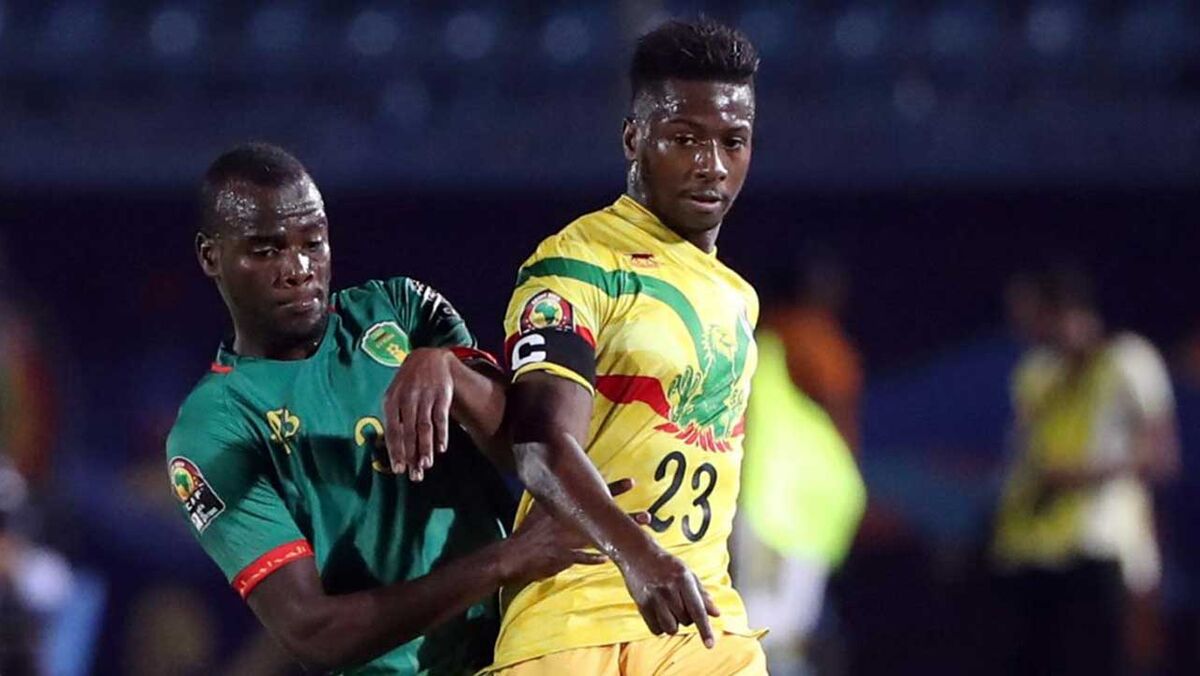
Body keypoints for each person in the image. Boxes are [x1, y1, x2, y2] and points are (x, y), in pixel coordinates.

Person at [167, 143, 642, 674]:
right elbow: (313, 634)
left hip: (526, 647)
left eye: (313, 243)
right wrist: (507, 560)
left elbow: (525, 449)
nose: (299, 269)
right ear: (211, 256)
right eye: (265, 251)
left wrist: (451, 373)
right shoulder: (215, 428)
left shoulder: (400, 310)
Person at [483, 17, 768, 675]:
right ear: (634, 138)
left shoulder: (739, 297)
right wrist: (640, 557)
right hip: (575, 625)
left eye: (733, 141)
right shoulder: (576, 264)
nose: (712, 164)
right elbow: (540, 445)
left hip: (706, 626)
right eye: (685, 139)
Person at [992, 267, 1180, 676]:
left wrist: (1075, 475)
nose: (1020, 328)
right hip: (1035, 553)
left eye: (1028, 315)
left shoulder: (1127, 360)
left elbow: (1163, 455)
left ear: (1060, 310)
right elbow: (1028, 457)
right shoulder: (1036, 374)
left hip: (1104, 549)